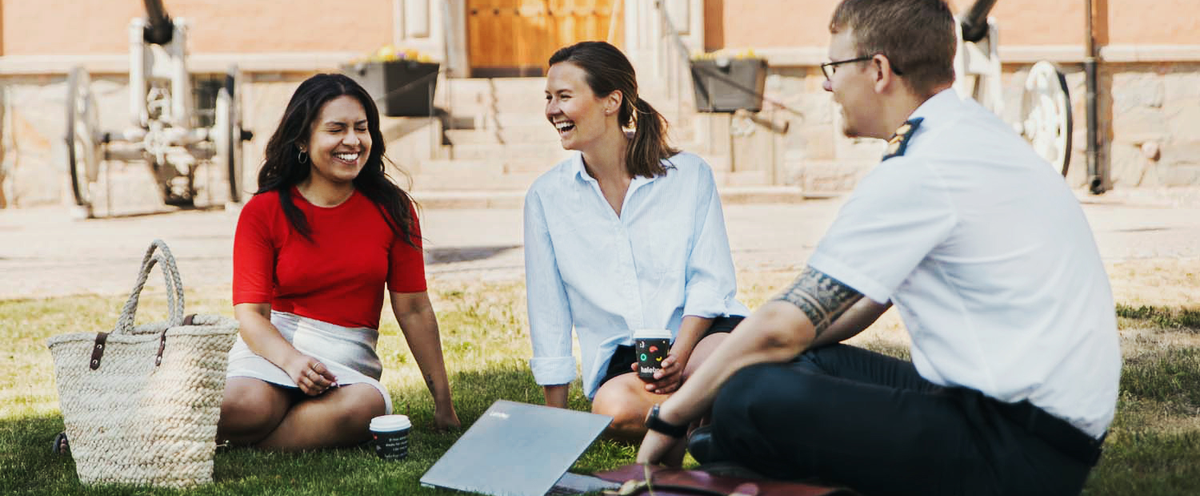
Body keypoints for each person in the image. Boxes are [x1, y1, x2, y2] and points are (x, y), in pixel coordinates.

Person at [636, 1, 1121, 494]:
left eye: (834, 68)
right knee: (770, 364)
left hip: (1017, 451)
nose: (828, 85)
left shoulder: (922, 167)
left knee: (748, 395)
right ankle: (750, 463)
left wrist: (671, 417)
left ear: (879, 70)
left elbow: (786, 324)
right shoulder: (965, 131)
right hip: (1022, 422)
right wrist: (759, 352)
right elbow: (861, 301)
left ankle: (741, 465)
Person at [217, 73, 460, 450]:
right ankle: (261, 426)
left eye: (361, 128)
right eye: (336, 129)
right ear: (302, 139)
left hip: (346, 364)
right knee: (243, 406)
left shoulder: (393, 209)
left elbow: (413, 308)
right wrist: (293, 362)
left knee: (365, 408)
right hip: (274, 351)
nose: (352, 141)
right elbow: (251, 316)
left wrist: (443, 402)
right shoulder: (263, 210)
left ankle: (250, 445)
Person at [524, 41, 748, 443]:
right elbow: (548, 309)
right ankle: (710, 414)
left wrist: (680, 354)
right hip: (626, 360)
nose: (551, 110)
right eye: (548, 98)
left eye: (564, 96)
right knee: (613, 412)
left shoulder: (688, 174)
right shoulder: (546, 197)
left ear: (611, 101)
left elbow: (710, 280)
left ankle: (699, 407)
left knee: (710, 368)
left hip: (702, 335)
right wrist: (554, 419)